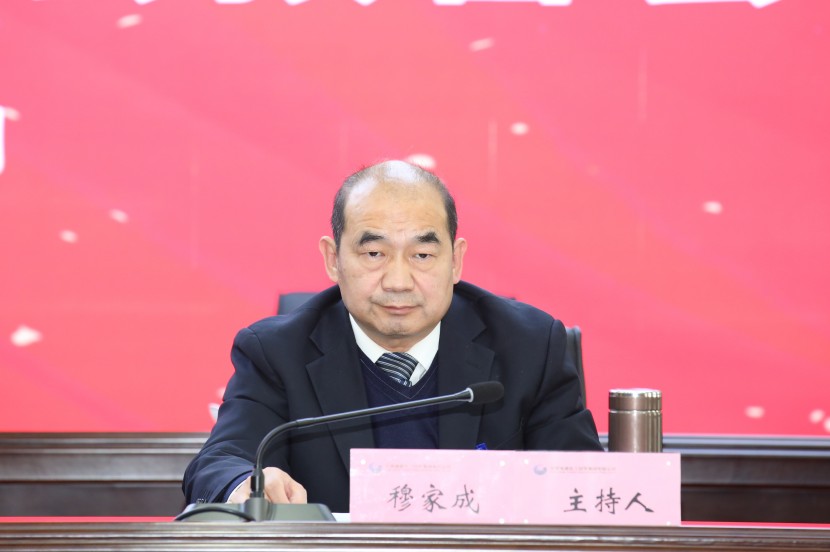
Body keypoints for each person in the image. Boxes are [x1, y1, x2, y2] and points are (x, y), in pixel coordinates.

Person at [183, 160, 602, 513]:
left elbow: (586, 485)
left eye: (422, 255)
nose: (398, 281)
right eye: (374, 254)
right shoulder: (276, 352)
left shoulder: (529, 346)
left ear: (455, 261)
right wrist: (245, 484)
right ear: (333, 259)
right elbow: (220, 463)